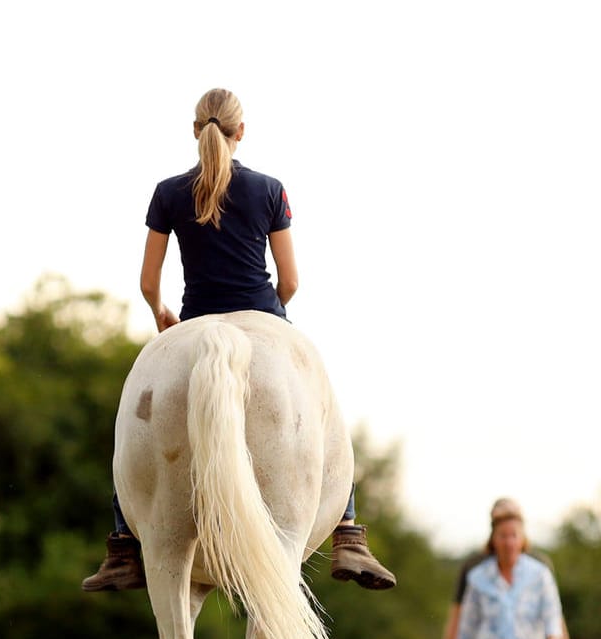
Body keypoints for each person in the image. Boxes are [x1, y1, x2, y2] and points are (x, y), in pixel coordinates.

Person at [82, 87, 396, 593]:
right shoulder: (269, 189)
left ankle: (121, 543)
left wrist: (163, 316)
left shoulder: (167, 193)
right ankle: (349, 532)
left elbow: (147, 282)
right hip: (262, 314)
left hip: (192, 323)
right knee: (323, 409)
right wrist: (270, 313)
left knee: (133, 417)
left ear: (194, 130)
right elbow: (290, 281)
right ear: (240, 131)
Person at [446, 498, 576, 639]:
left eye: (514, 534)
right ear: (493, 535)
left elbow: (554, 617)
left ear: (523, 534)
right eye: (501, 533)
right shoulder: (475, 572)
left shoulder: (540, 568)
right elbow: (463, 622)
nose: (508, 541)